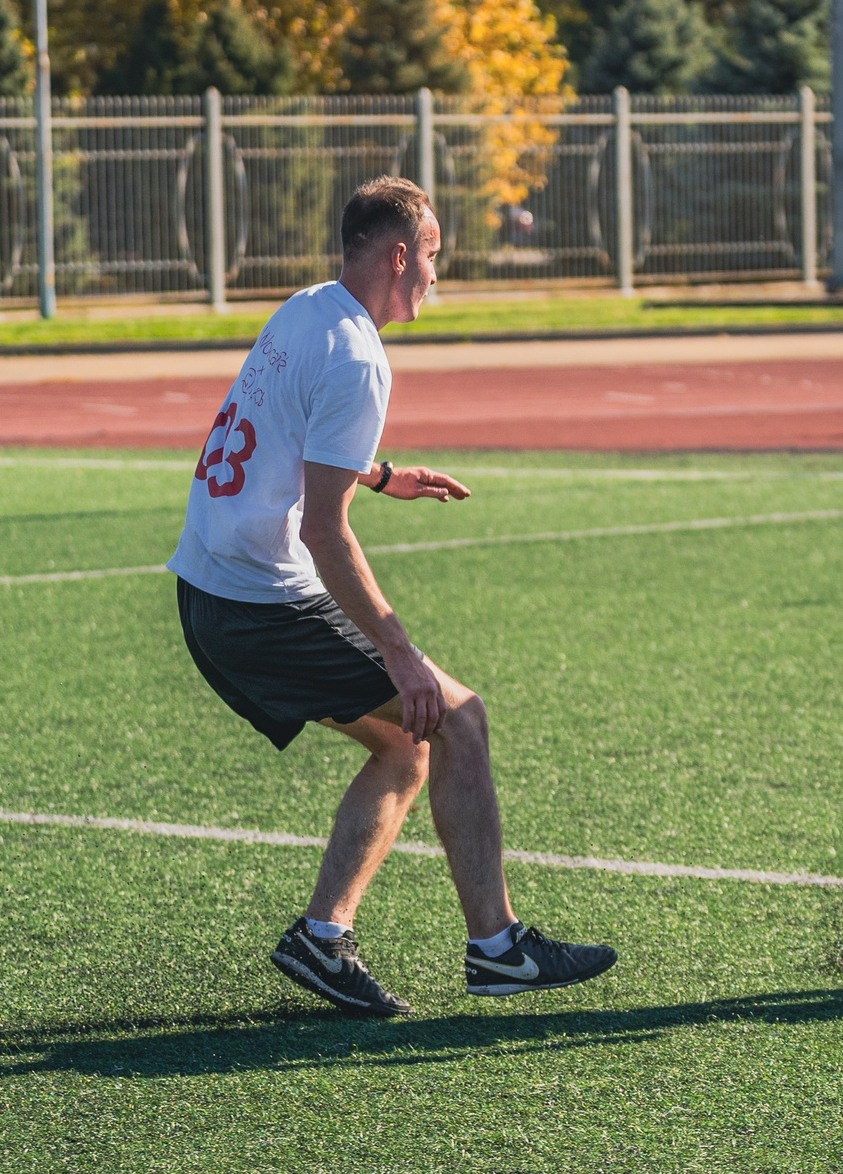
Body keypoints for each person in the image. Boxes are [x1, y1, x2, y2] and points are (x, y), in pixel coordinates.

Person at [170, 176, 617, 1017]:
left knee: (409, 746)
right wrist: (401, 653)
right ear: (401, 256)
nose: (439, 276)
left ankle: (323, 937)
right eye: (435, 256)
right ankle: (498, 949)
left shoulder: (307, 308)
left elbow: (287, 435)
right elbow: (324, 533)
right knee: (458, 715)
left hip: (208, 590)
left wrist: (379, 475)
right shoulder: (359, 356)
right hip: (259, 606)